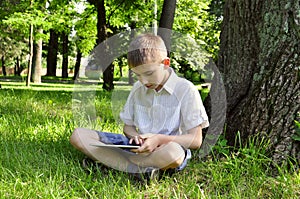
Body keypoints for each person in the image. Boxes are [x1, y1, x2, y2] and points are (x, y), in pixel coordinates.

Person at [70, 33, 209, 180]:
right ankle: (142, 170)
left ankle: (121, 164)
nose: (143, 81)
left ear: (165, 63)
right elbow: (127, 127)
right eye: (137, 75)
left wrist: (158, 140)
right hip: (137, 148)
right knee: (79, 136)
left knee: (173, 154)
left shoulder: (186, 89)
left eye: (149, 73)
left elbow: (195, 140)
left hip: (167, 147)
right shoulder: (138, 88)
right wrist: (137, 138)